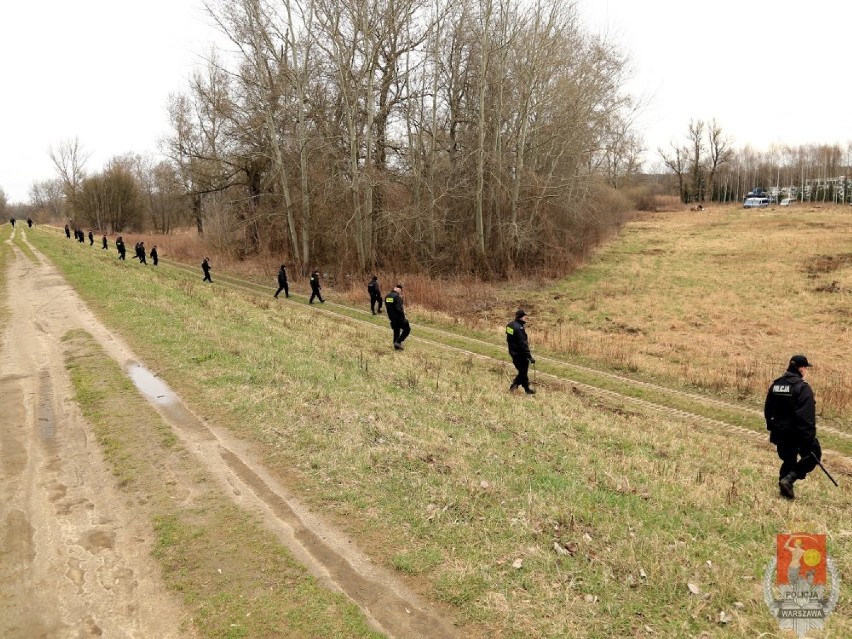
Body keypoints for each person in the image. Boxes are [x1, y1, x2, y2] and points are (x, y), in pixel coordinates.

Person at [764, 355, 820, 500]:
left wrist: (771, 427)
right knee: (814, 455)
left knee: (789, 460)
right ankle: (789, 480)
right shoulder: (802, 388)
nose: (806, 370)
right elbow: (807, 417)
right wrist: (808, 439)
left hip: (779, 432)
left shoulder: (776, 384)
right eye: (806, 368)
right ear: (800, 368)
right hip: (797, 434)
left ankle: (785, 491)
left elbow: (768, 409)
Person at [506, 309, 536, 394]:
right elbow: (523, 344)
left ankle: (526, 389)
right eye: (524, 316)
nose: (525, 318)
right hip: (520, 354)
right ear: (520, 317)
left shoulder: (509, 325)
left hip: (512, 352)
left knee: (523, 371)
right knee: (523, 372)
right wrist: (529, 357)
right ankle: (513, 386)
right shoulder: (519, 328)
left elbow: (509, 338)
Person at [384, 283, 411, 350]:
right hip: (399, 318)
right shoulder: (397, 297)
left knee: (396, 331)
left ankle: (396, 346)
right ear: (399, 290)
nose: (401, 293)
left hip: (391, 317)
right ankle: (398, 342)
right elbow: (399, 309)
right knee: (407, 329)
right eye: (401, 291)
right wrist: (403, 318)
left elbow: (388, 307)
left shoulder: (387, 296)